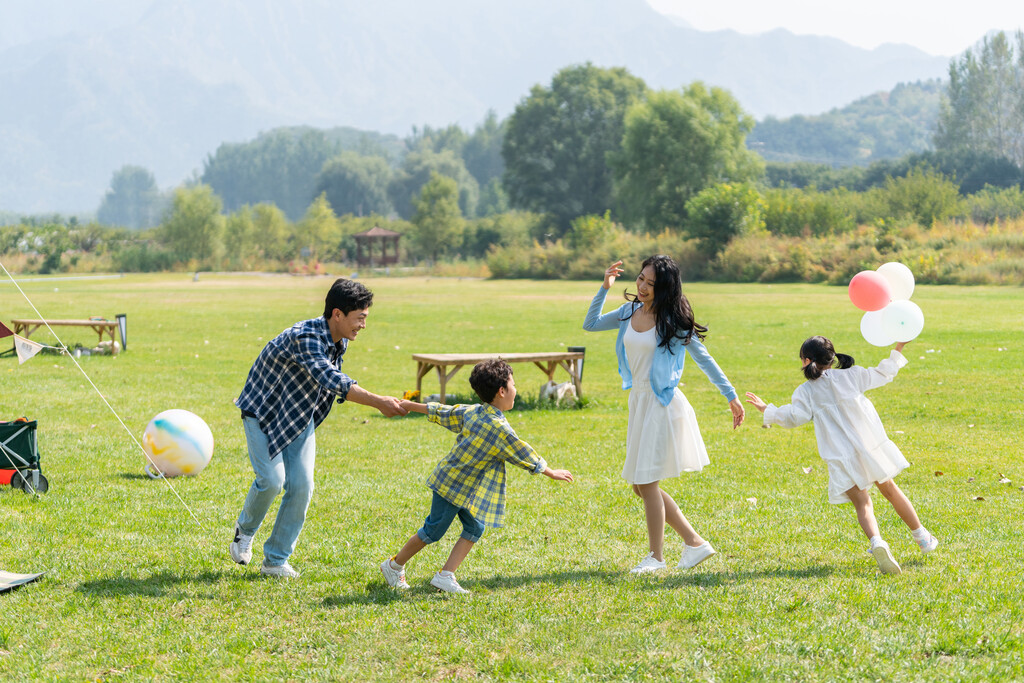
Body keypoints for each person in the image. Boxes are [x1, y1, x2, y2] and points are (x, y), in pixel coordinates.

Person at [229, 278, 406, 578]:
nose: (363, 325)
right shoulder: (306, 337)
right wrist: (378, 402)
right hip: (263, 411)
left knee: (301, 486)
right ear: (337, 314)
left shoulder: (340, 339)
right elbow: (331, 379)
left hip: (298, 416)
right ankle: (244, 532)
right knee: (272, 480)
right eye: (359, 317)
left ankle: (274, 561)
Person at [583, 256, 745, 574]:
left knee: (647, 481)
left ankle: (656, 557)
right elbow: (590, 324)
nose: (642, 287)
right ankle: (695, 543)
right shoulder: (629, 311)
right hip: (638, 402)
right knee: (640, 485)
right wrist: (604, 288)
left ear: (665, 288)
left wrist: (731, 396)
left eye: (650, 283)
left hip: (662, 404)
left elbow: (705, 359)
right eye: (641, 279)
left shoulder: (672, 323)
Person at [745, 336, 938, 576]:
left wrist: (767, 409)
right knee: (890, 490)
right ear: (831, 358)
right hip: (869, 447)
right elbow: (883, 373)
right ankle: (922, 537)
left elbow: (794, 417)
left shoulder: (805, 392)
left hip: (840, 456)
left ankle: (877, 542)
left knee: (862, 503)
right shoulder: (852, 375)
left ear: (806, 361)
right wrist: (899, 348)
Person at [380, 359, 574, 594]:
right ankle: (394, 565)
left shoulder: (474, 411)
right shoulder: (499, 428)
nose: (516, 389)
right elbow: (522, 452)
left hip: (464, 488)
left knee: (475, 527)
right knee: (432, 531)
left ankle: (445, 575)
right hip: (451, 486)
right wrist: (550, 472)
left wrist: (412, 405)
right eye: (514, 384)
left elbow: (444, 411)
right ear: (502, 391)